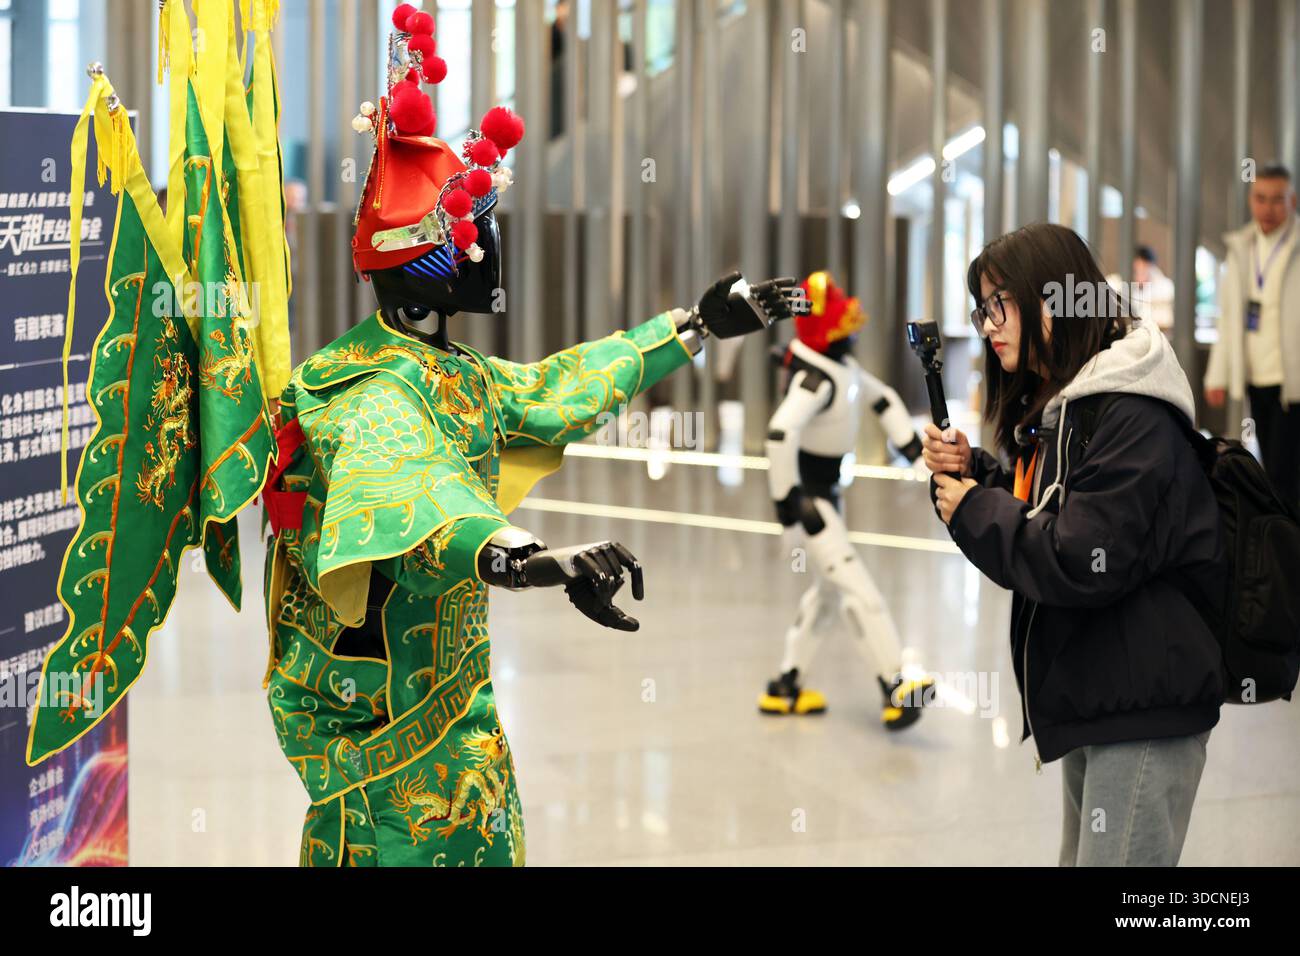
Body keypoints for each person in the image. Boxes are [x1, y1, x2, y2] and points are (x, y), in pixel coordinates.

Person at [260, 7, 803, 867]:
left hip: (451, 696)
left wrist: (693, 325)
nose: (486, 248)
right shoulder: (361, 388)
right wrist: (525, 556)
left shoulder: (450, 370)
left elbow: (554, 391)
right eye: (469, 227)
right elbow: (408, 492)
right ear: (424, 257)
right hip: (384, 719)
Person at [922, 223, 1223, 866]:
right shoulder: (1075, 401)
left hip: (1145, 704)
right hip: (1102, 686)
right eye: (982, 308)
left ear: (1050, 302)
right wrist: (978, 474)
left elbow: (1080, 558)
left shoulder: (1130, 411)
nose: (986, 324)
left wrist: (977, 508)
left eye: (998, 304)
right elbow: (1056, 506)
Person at [758, 271, 934, 729]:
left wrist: (914, 448)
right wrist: (789, 503)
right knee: (858, 589)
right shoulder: (814, 380)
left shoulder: (841, 370)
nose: (851, 332)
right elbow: (780, 433)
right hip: (812, 501)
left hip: (827, 495)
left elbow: (885, 400)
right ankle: (896, 683)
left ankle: (785, 685)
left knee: (828, 597)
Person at [1205, 163, 1300, 507]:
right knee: (1271, 468)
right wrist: (1217, 375)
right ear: (1250, 200)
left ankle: (1286, 546)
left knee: (1284, 471)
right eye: (1261, 198)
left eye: (1278, 200)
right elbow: (1229, 318)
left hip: (1292, 379)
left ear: (1292, 201)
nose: (1268, 208)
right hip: (1256, 375)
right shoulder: (1241, 247)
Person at [1106, 245, 1174, 334]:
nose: (1140, 274)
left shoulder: (1165, 288)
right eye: (1136, 270)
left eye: (1144, 269)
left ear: (1151, 267)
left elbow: (1167, 320)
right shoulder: (1115, 283)